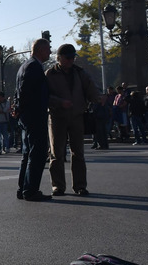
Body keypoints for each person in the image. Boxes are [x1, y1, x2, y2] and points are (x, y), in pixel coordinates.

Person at [45, 44, 100, 196]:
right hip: (57, 117)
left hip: (76, 116)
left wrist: (98, 98)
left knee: (78, 153)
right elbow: (44, 96)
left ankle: (80, 186)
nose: (71, 60)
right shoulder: (49, 74)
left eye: (73, 57)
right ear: (60, 58)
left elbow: (91, 88)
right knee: (56, 153)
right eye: (68, 58)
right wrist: (59, 102)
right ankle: (58, 186)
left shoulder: (80, 73)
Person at [15, 38, 53, 201]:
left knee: (27, 153)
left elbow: (20, 92)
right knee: (37, 153)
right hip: (34, 115)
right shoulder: (34, 67)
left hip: (27, 115)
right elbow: (26, 92)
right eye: (48, 49)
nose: (50, 52)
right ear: (41, 50)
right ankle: (30, 190)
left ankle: (23, 188)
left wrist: (19, 110)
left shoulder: (24, 66)